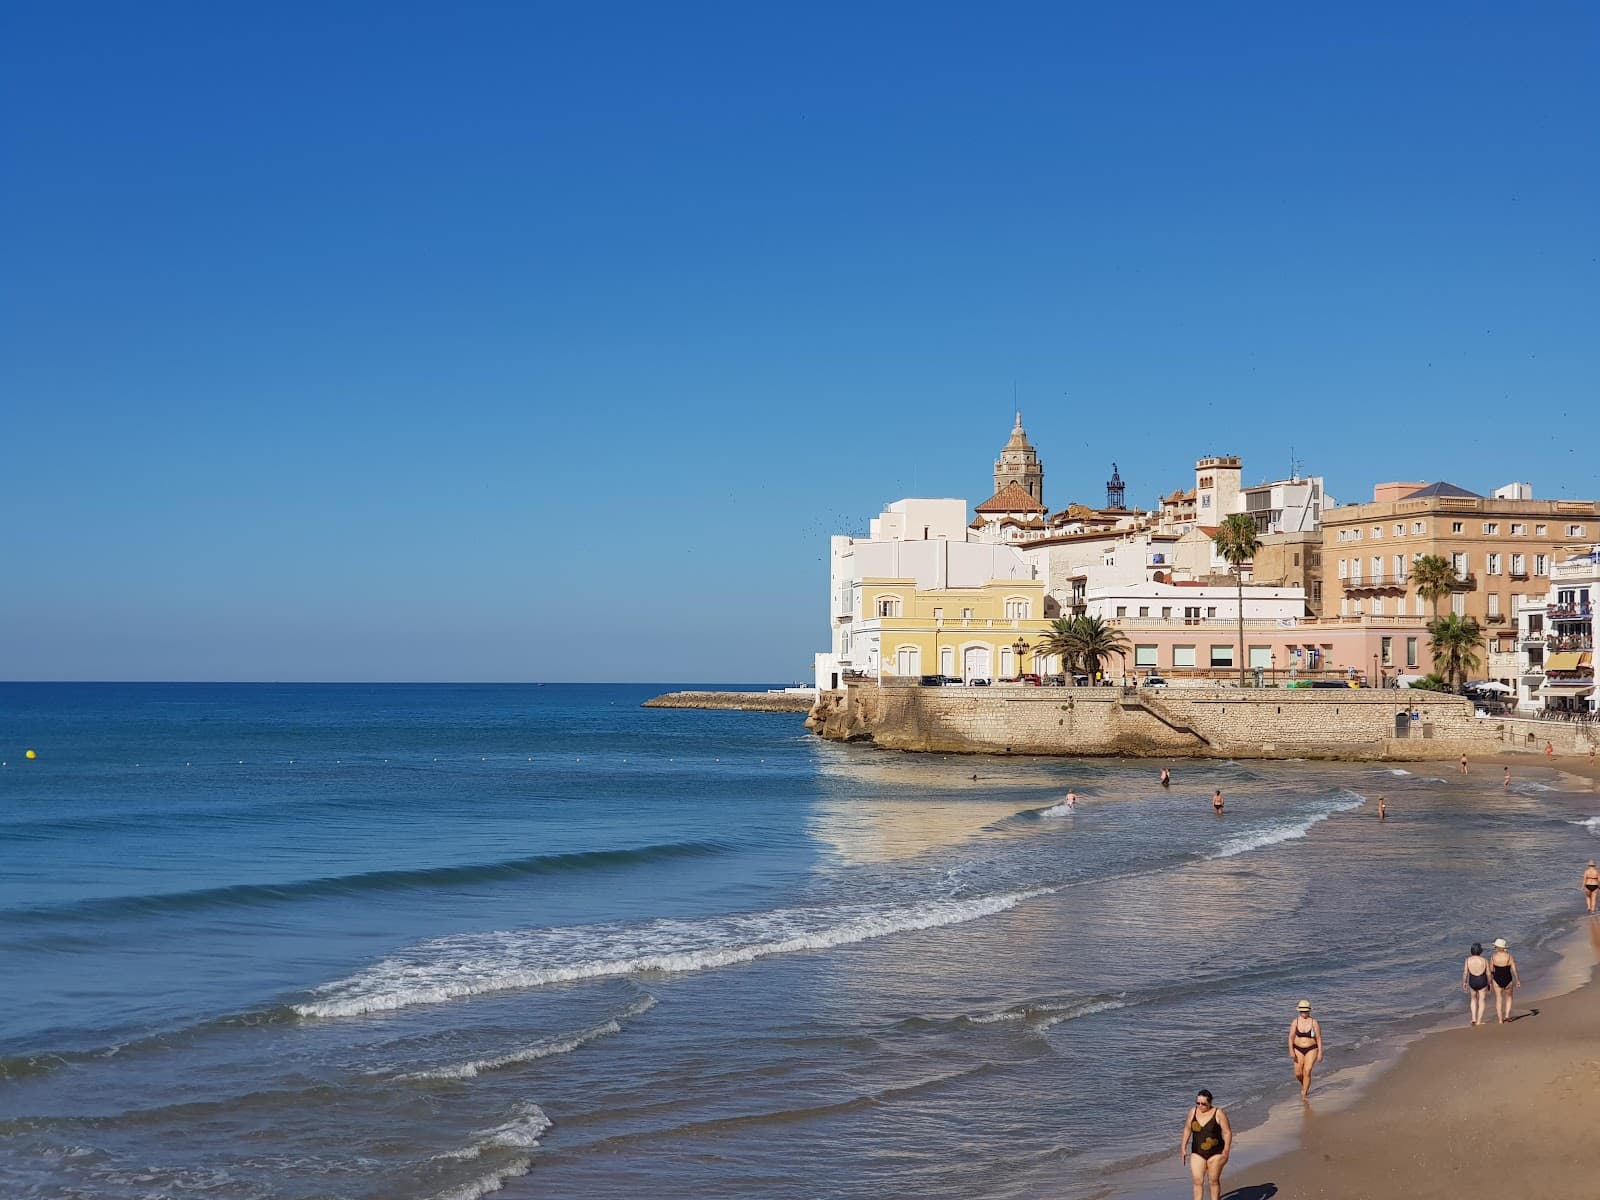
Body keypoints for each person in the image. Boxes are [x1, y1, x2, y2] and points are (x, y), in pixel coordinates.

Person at [1179, 1088, 1231, 1200]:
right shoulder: (1193, 1112)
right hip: (1197, 1152)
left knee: (1213, 1181)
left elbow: (1227, 1132)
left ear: (1210, 1103)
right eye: (1198, 1103)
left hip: (1216, 1153)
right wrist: (1183, 1147)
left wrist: (1226, 1150)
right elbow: (1187, 1129)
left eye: (1203, 1104)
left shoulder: (1218, 1113)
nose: (1200, 1106)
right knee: (1197, 1181)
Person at [1288, 999, 1323, 1098]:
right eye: (1302, 1011)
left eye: (1306, 1011)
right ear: (1299, 1011)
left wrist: (1320, 1053)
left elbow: (1319, 1038)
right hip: (1297, 1049)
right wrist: (1291, 1050)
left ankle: (1304, 1094)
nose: (1304, 1013)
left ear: (1309, 1011)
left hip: (1311, 1049)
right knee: (1298, 1073)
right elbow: (1290, 1037)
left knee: (1307, 1071)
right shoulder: (1295, 1021)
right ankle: (1305, 1085)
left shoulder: (1314, 1022)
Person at [1488, 938, 1520, 1024]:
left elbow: (1491, 970)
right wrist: (1517, 980)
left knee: (1499, 999)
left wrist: (1489, 982)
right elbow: (1514, 969)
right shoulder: (1509, 956)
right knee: (1509, 997)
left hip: (1497, 979)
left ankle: (1500, 1020)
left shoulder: (1493, 956)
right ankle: (1507, 1016)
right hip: (1508, 978)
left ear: (1497, 947)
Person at [1462, 942, 1490, 1026]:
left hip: (1472, 981)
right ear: (1480, 951)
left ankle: (1473, 1018)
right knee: (1481, 1000)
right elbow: (1488, 973)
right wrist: (1490, 983)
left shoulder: (1468, 960)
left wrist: (1464, 982)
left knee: (1473, 999)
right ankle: (1479, 1021)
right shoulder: (1484, 960)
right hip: (1482, 980)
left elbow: (1465, 973)